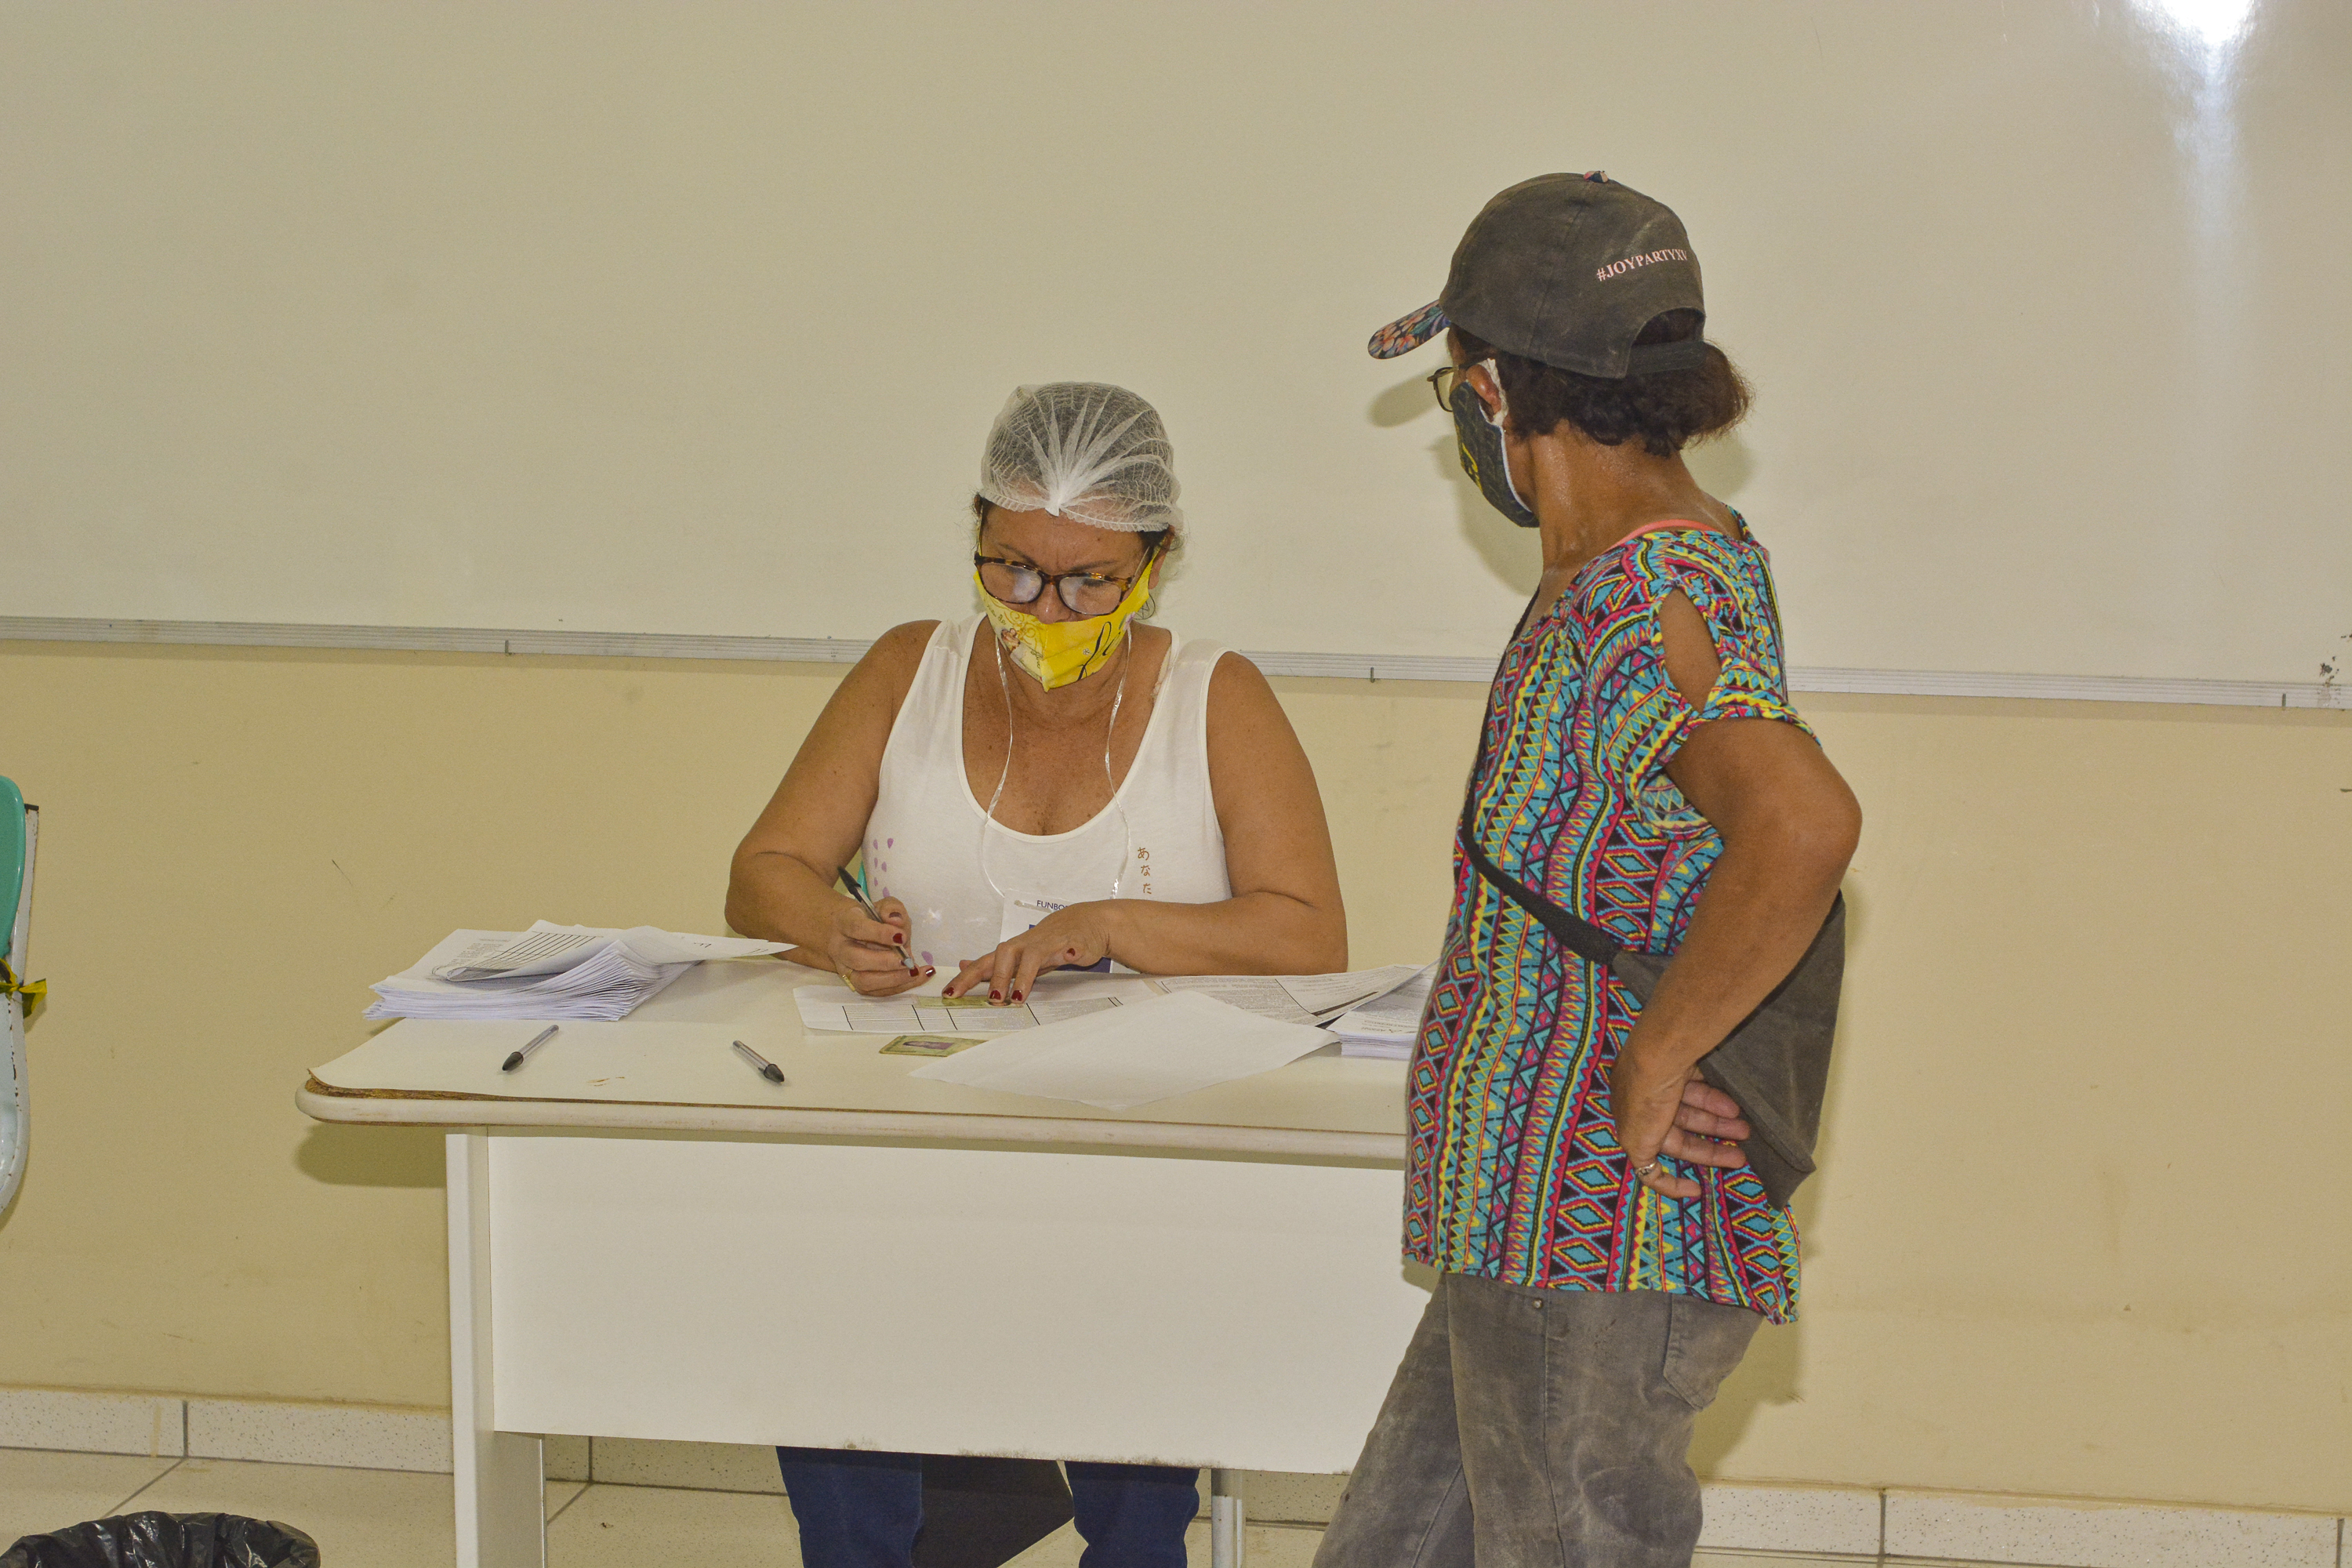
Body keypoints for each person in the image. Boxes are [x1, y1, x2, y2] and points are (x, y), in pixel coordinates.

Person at [1316, 175, 1862, 1567]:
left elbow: (1802, 826)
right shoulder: (1631, 570)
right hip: (1528, 1218)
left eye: (1456, 387)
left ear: (1495, 394)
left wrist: (1657, 1056)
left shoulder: (1643, 597)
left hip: (1596, 1230)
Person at [725, 380, 1348, 1568]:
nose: (1043, 606)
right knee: (824, 1281)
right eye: (1010, 567)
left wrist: (1106, 924)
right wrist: (833, 924)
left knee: (1133, 1318)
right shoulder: (910, 668)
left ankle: (1132, 1547)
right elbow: (763, 872)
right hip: (915, 1133)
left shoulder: (1216, 696)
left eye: (1088, 580)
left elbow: (1308, 933)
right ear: (974, 533)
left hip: (1140, 1151)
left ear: (1156, 562)